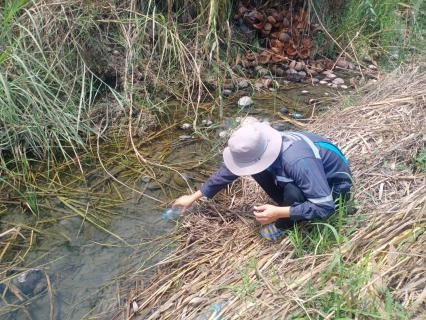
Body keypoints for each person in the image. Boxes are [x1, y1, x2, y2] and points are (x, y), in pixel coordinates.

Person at [173, 121, 353, 241]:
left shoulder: (297, 161)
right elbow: (228, 171)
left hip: (332, 190)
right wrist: (193, 197)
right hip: (310, 176)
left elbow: (325, 206)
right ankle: (289, 206)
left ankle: (285, 225)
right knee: (258, 172)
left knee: (293, 192)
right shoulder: (263, 144)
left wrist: (279, 213)